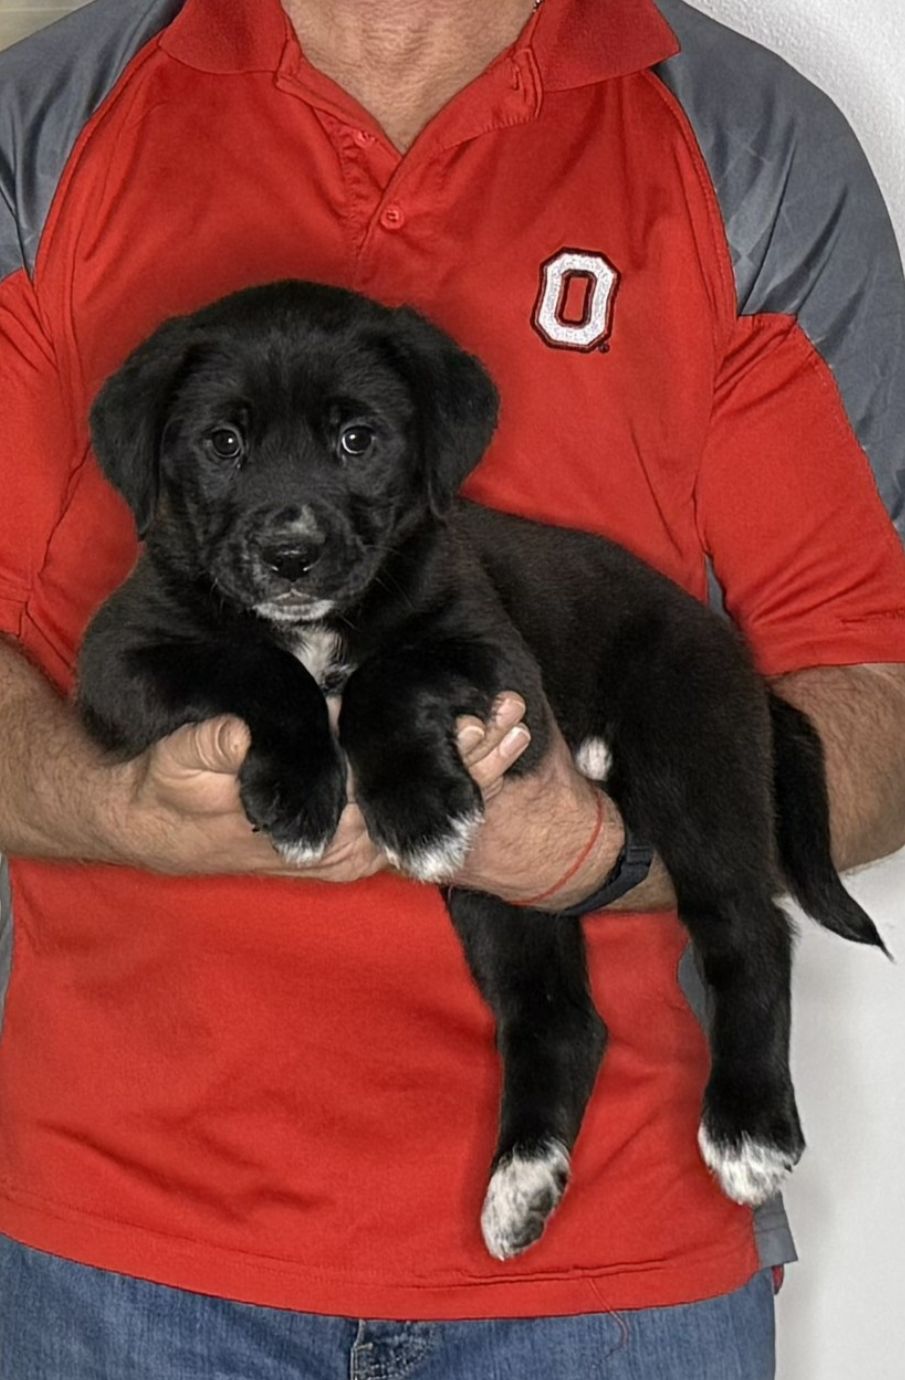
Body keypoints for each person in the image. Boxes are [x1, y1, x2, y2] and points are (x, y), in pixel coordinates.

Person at [1, 0, 904, 1374]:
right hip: (113, 1263)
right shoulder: (40, 128)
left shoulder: (747, 146)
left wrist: (599, 857)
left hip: (614, 1285)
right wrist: (107, 805)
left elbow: (878, 692)